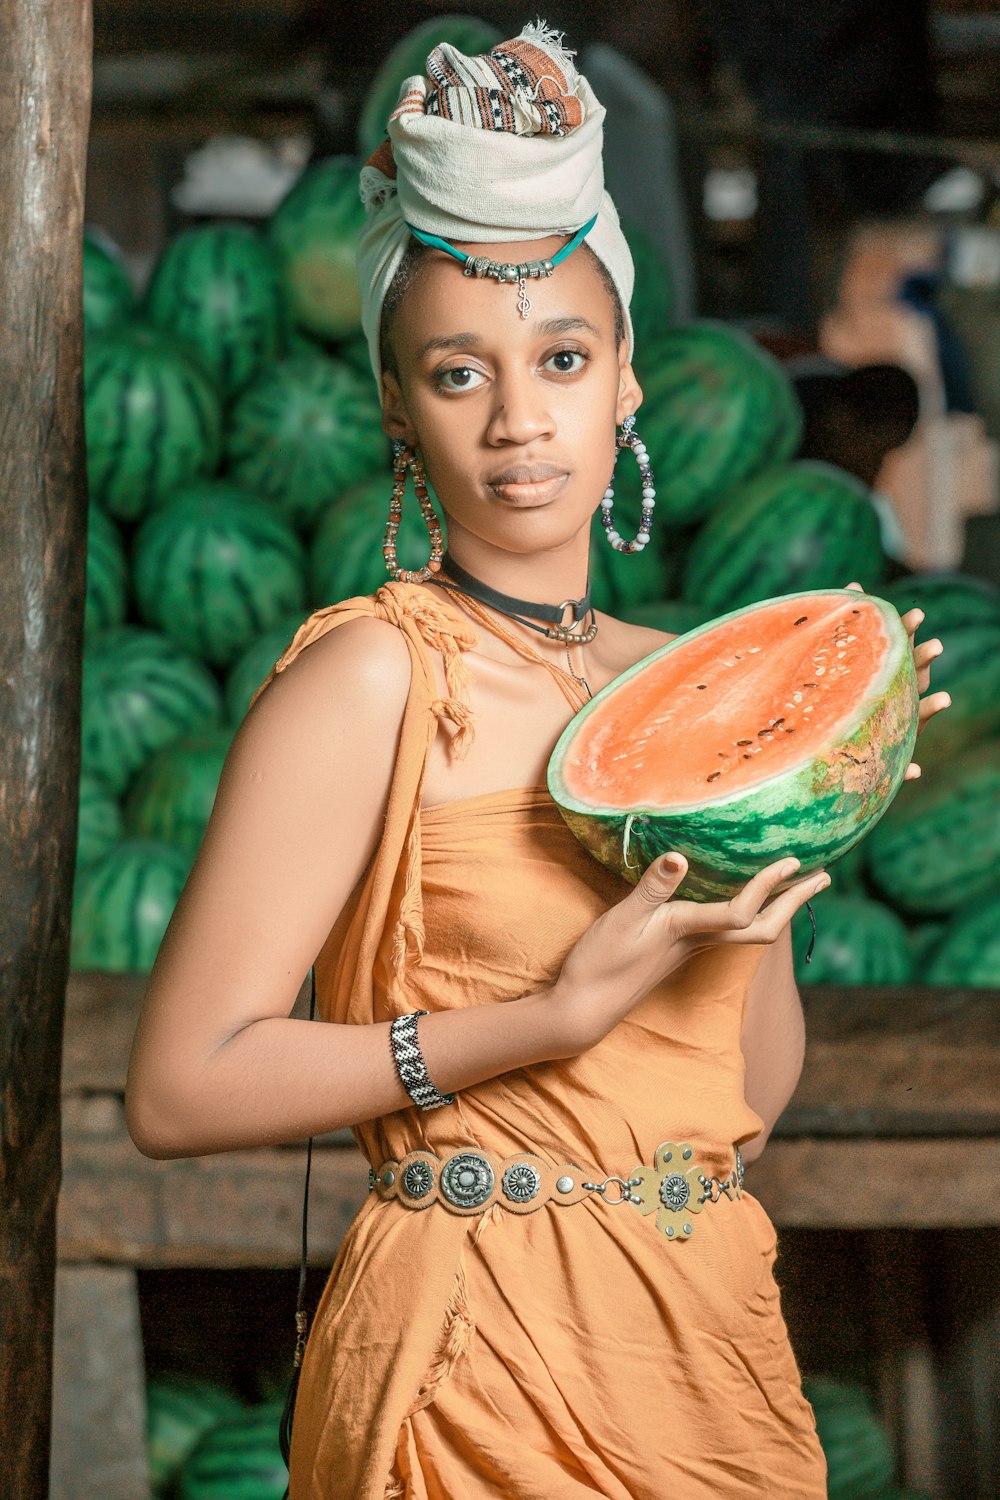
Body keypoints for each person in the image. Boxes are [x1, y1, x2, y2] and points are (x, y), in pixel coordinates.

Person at [125, 22, 949, 1499]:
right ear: (395, 405)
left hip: (704, 1351)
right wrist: (546, 1022)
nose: (519, 421)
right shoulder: (371, 675)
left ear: (627, 378)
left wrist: (801, 830)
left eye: (562, 358)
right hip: (465, 1361)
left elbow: (743, 1109)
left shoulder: (682, 687)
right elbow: (181, 1090)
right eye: (458, 373)